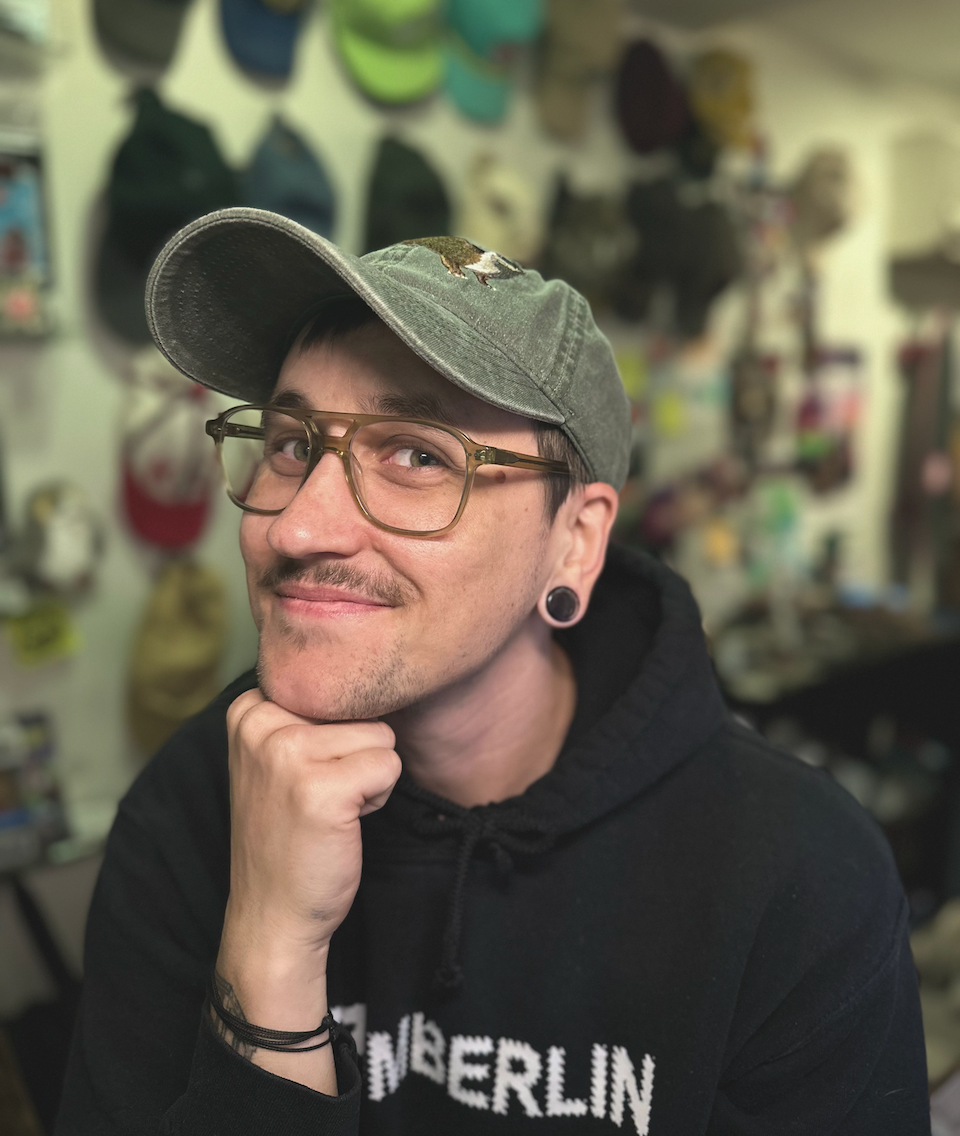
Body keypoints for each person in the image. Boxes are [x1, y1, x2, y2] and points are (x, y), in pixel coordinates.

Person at [57, 209, 929, 1135]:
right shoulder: (188, 814)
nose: (298, 527)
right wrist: (270, 953)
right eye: (289, 443)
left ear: (575, 542)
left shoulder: (797, 878)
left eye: (418, 456)